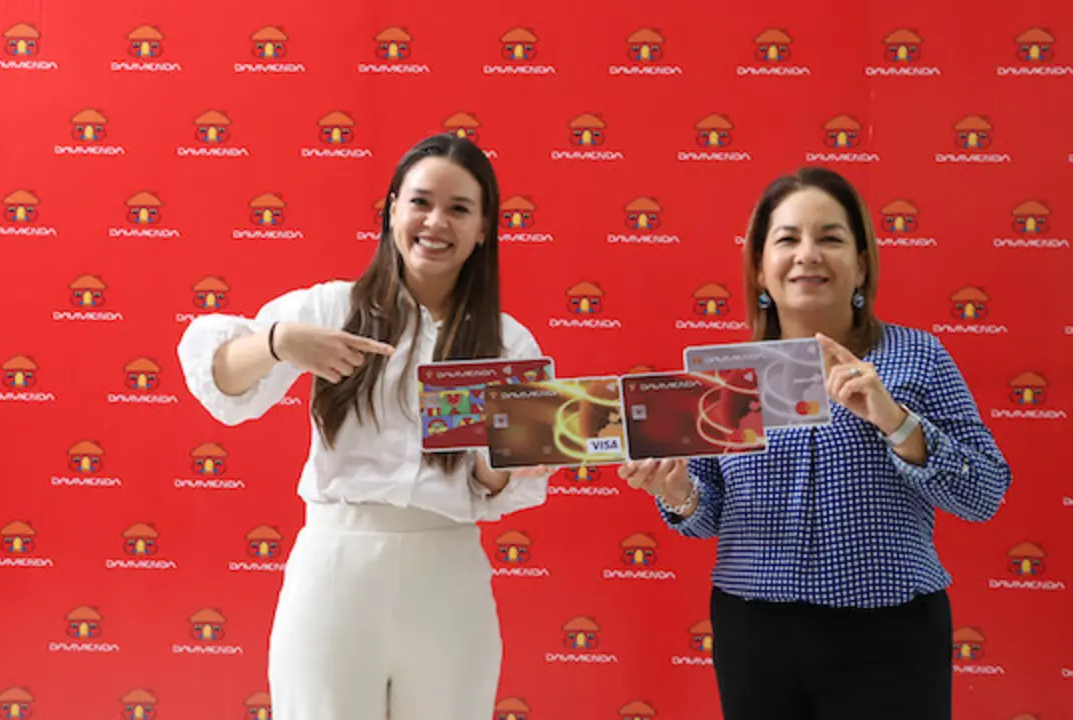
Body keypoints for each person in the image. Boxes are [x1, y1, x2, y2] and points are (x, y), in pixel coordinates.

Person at [176, 133, 552, 720]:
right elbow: (221, 379)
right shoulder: (330, 308)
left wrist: (499, 464)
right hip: (334, 568)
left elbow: (504, 485)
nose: (436, 222)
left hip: (448, 574)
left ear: (484, 229)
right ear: (392, 210)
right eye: (420, 202)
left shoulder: (508, 344)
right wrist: (278, 343)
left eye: (459, 209)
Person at [618, 167, 1011, 720]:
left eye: (830, 237)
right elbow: (707, 515)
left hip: (891, 633)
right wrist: (679, 491)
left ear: (862, 264)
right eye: (787, 239)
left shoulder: (917, 357)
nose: (808, 254)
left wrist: (896, 422)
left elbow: (985, 492)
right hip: (755, 634)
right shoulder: (727, 378)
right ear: (760, 266)